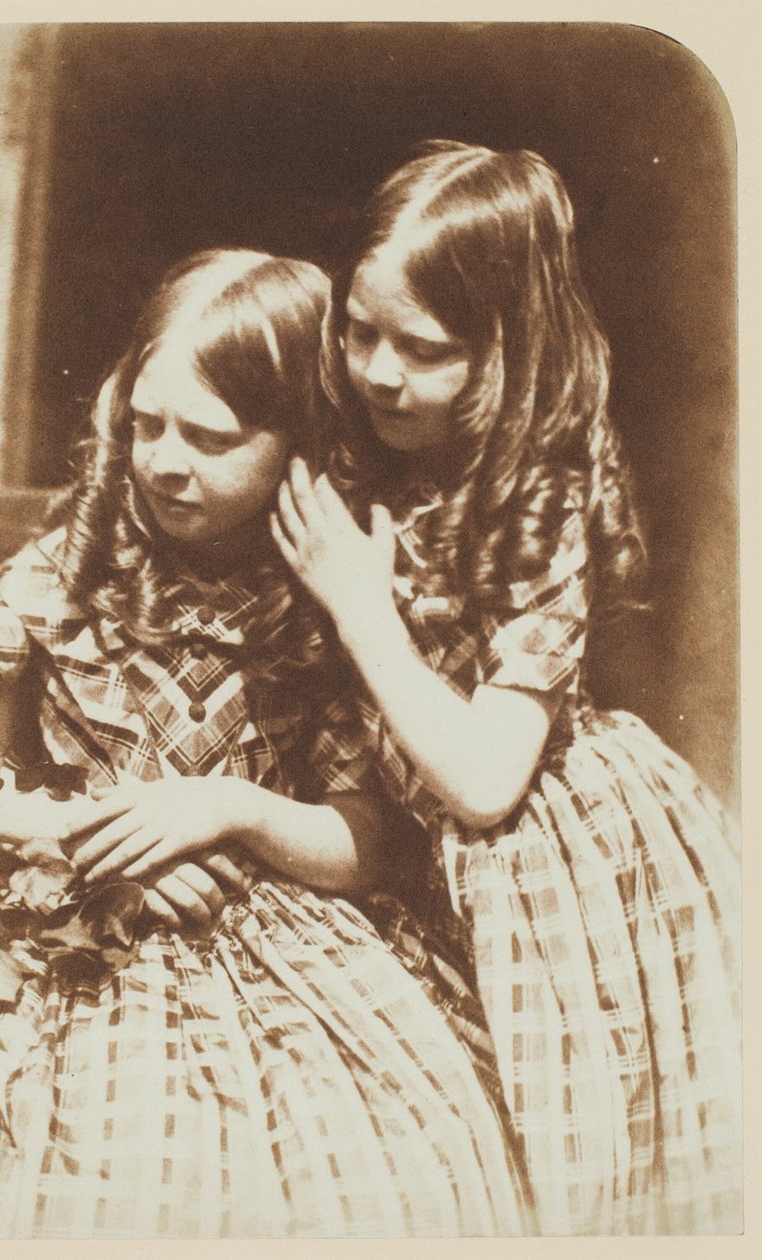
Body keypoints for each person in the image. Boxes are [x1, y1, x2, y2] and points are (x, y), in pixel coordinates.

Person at [0, 248, 531, 1238]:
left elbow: (375, 839)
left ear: (300, 442)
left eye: (211, 436)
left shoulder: (337, 587)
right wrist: (75, 832)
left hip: (271, 929)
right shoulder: (73, 564)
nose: (164, 461)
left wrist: (233, 810)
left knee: (365, 1172)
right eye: (147, 424)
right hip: (70, 914)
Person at [271, 142, 742, 1234]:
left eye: (425, 349)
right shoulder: (370, 460)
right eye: (360, 331)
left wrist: (361, 607)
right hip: (423, 860)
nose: (380, 372)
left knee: (585, 1177)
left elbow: (485, 784)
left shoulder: (541, 494)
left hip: (559, 870)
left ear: (509, 351)